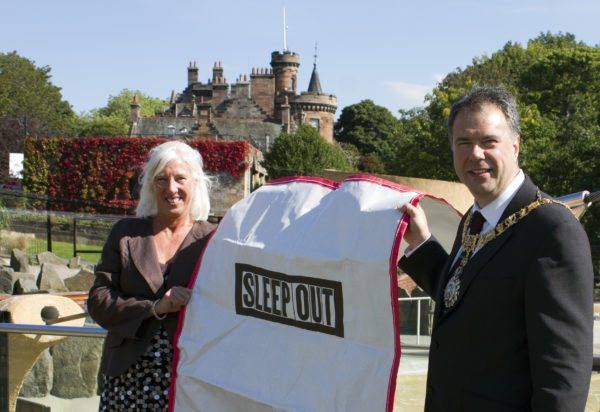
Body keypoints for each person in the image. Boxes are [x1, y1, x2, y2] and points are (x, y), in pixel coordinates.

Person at [398, 87, 593, 411]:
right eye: (463, 143)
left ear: (515, 145)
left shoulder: (552, 229)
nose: (475, 153)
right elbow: (467, 297)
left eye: (488, 141)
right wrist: (421, 244)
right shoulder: (474, 218)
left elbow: (563, 382)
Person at [88, 141, 216, 410]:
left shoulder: (213, 239)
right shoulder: (125, 233)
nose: (171, 188)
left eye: (180, 178)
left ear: (195, 183)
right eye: (161, 179)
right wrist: (155, 308)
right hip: (126, 379)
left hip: (188, 379)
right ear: (150, 185)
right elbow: (99, 302)